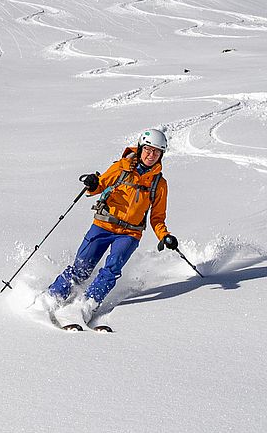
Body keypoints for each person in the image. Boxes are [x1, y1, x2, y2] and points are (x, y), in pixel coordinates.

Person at [41, 128, 177, 322]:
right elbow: (100, 186)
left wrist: (164, 236)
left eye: (156, 151)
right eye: (148, 149)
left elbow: (157, 218)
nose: (151, 155)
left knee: (111, 270)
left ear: (161, 154)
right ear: (140, 149)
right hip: (103, 225)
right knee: (82, 267)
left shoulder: (159, 184)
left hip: (130, 233)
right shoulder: (121, 168)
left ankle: (87, 305)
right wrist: (92, 182)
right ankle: (51, 297)